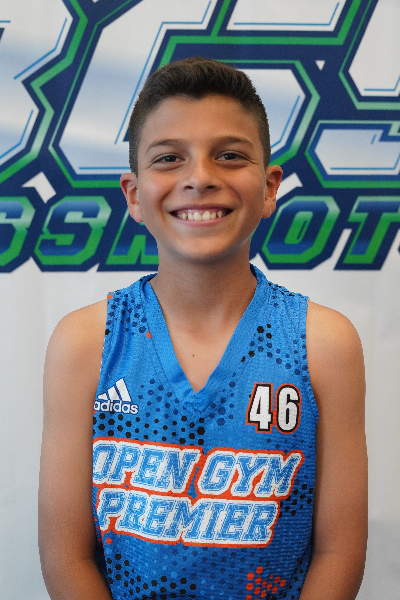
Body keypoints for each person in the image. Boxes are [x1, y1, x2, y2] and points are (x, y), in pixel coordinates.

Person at [39, 58, 367, 600]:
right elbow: (66, 555)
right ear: (133, 195)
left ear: (269, 187)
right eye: (169, 158)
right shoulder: (86, 342)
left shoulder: (322, 342)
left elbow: (340, 552)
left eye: (229, 155)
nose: (200, 177)